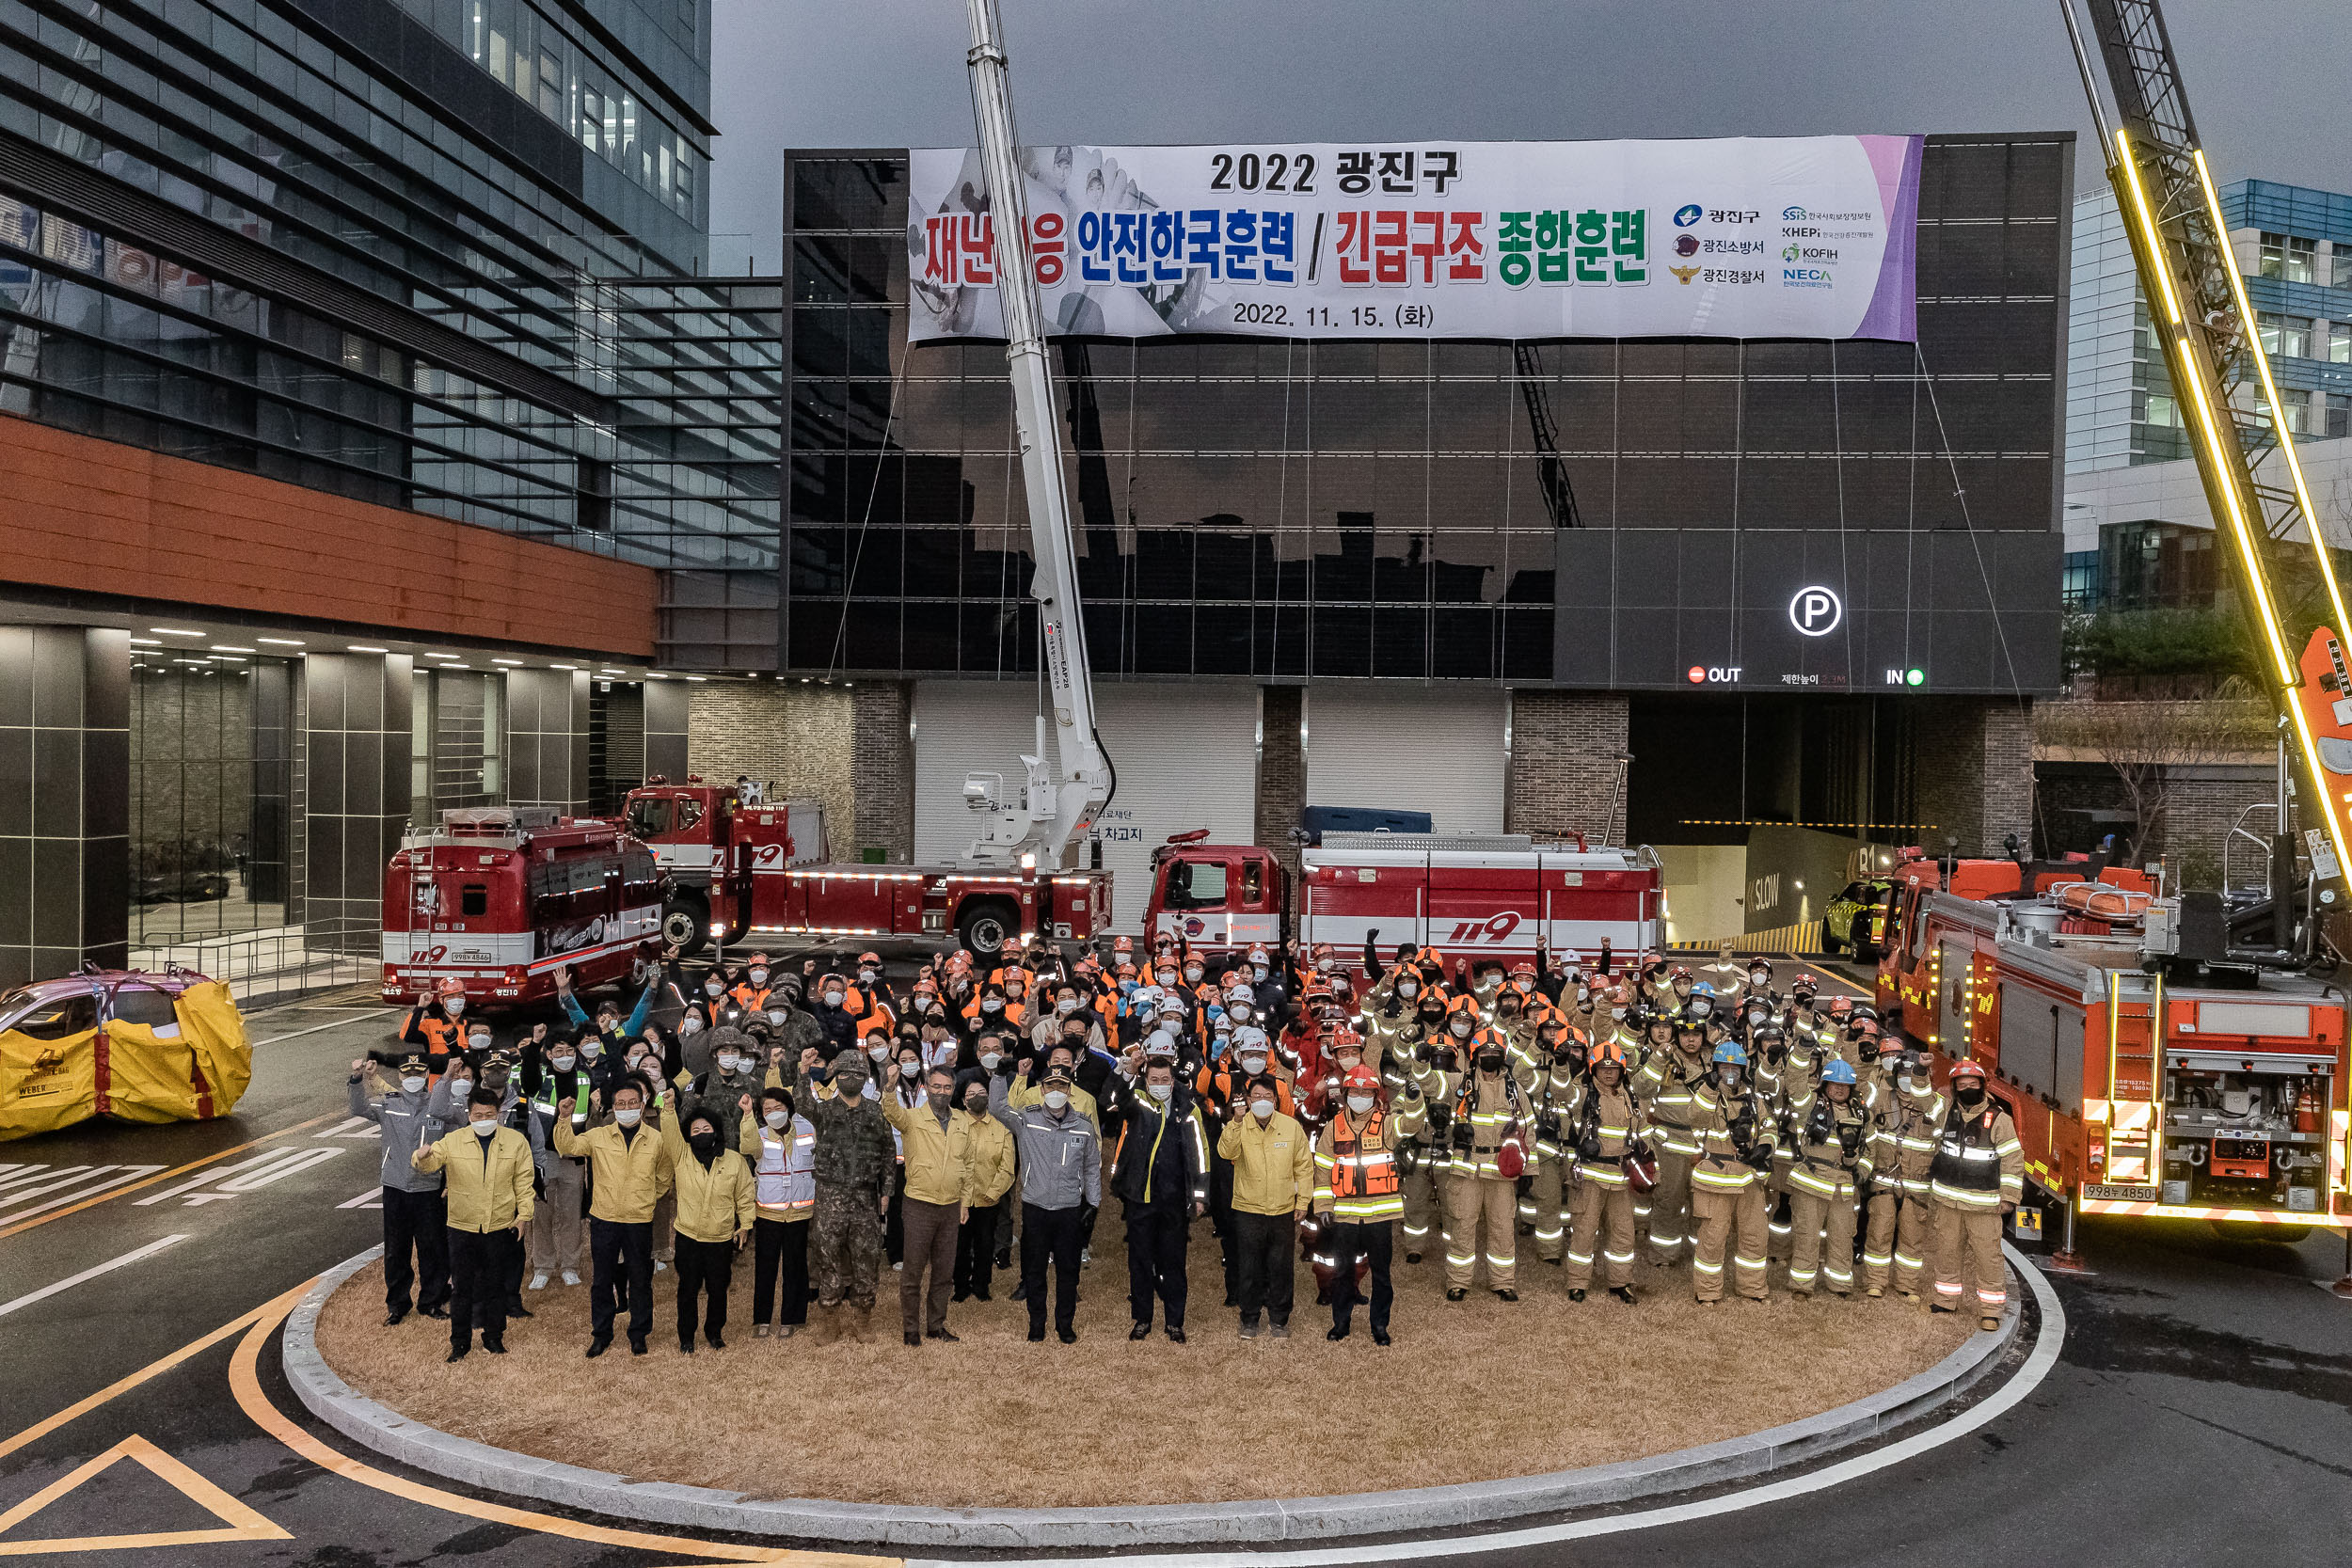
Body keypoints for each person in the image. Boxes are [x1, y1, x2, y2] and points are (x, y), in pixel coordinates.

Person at [410, 1087, 534, 1360]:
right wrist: (422, 1156)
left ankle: (493, 1337)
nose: (484, 1118)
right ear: (469, 1115)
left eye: (490, 1114)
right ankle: (460, 1342)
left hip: (499, 1225)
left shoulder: (515, 1142)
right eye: (478, 1114)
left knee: (495, 1285)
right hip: (462, 1227)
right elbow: (431, 1163)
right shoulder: (453, 1140)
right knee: (462, 1288)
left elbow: (524, 1181)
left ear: (498, 1114)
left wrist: (524, 1214)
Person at [553, 1076, 672, 1356]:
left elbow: (665, 1174)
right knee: (602, 1280)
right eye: (621, 1103)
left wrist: (647, 1196)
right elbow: (568, 1147)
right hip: (604, 1218)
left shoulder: (656, 1139)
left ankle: (639, 1334)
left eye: (632, 1102)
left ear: (642, 1106)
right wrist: (563, 1118)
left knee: (641, 1280)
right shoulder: (599, 1135)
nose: (627, 1107)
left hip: (639, 1220)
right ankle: (601, 1333)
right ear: (613, 1107)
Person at [1312, 1063, 1422, 1343]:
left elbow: (1412, 1123)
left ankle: (1380, 1325)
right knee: (1342, 1272)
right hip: (1345, 1215)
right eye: (1355, 1092)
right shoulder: (1333, 1128)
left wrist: (1415, 1099)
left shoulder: (1387, 1124)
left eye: (1366, 1093)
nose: (1359, 1097)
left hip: (1379, 1215)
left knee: (1382, 1275)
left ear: (1376, 1097)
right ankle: (1341, 1323)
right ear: (1346, 1093)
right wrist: (1323, 1207)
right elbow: (1323, 1170)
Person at [991, 1065, 1101, 1343]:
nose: (1055, 1092)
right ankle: (1036, 1325)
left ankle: (1065, 1326)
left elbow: (1091, 1167)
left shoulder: (1084, 1127)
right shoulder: (1026, 1121)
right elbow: (998, 1108)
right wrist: (998, 1076)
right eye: (1050, 1086)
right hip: (1036, 1209)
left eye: (1062, 1086)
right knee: (1035, 1271)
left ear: (1069, 1091)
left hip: (1069, 1211)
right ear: (1041, 1090)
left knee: (1068, 1273)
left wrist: (1094, 1203)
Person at [1108, 1055, 1210, 1342]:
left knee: (1174, 1262)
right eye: (1154, 1079)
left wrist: (1200, 1195)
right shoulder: (1138, 1102)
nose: (1160, 1085)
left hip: (1175, 1201)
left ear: (1173, 1080)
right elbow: (1113, 1099)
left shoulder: (1188, 1109)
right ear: (1146, 1079)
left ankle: (1175, 1322)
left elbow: (1200, 1154)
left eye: (1165, 1080)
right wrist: (1127, 1072)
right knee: (1140, 1261)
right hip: (1140, 1198)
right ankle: (1142, 1319)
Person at [346, 1052, 452, 1325]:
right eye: (408, 1074)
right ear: (400, 1077)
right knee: (396, 1250)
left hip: (429, 1187)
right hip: (396, 1187)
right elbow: (358, 1108)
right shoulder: (388, 1104)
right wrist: (357, 1079)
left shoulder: (439, 1105)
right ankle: (397, 1304)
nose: (413, 1078)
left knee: (433, 1248)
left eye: (418, 1073)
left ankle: (432, 1301)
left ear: (427, 1075)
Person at [795, 1045, 894, 1335]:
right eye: (845, 1073)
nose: (851, 1078)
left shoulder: (876, 1113)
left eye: (857, 1073)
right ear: (836, 1077)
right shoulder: (824, 1111)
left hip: (865, 1197)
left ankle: (863, 1318)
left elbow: (888, 1152)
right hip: (830, 1195)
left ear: (865, 1078)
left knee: (867, 1258)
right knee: (827, 1258)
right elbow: (801, 1104)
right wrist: (804, 1071)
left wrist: (886, 1190)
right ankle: (829, 1319)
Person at [881, 1059, 974, 1345]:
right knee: (913, 1272)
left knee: (944, 1273)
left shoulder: (962, 1121)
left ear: (953, 1089)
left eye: (947, 1087)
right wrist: (889, 1086)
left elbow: (968, 1164)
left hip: (950, 1206)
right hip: (919, 1204)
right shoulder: (911, 1118)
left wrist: (965, 1202)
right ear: (927, 1088)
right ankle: (911, 1329)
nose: (942, 1092)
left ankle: (936, 1325)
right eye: (936, 1086)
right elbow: (890, 1111)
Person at [1436, 1026, 1531, 1302]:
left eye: (1495, 1052)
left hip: (1503, 1171)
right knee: (1462, 1226)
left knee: (1502, 1227)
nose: (1489, 1057)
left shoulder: (1515, 1090)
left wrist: (1529, 1171)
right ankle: (1458, 1282)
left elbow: (1528, 1132)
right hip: (1467, 1169)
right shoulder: (1458, 1084)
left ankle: (1502, 1282)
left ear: (1502, 1056)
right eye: (1484, 1052)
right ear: (1474, 1055)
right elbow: (1430, 1086)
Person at [1929, 1058, 2023, 1331]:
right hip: (1948, 1201)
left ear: (1982, 1086)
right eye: (1962, 1085)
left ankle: (1991, 1311)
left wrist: (2009, 1197)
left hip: (1984, 1205)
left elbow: (2013, 1159)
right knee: (1946, 1252)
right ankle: (1945, 1299)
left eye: (1973, 1084)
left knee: (1988, 1258)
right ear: (1955, 1089)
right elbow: (1924, 1097)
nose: (1968, 1088)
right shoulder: (1947, 1111)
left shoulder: (1999, 1119)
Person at [1216, 1072, 1311, 1338]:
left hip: (1282, 1210)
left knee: (1281, 1267)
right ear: (1247, 1099)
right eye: (1256, 1096)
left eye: (1267, 1097)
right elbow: (1226, 1152)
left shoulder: (1291, 1127)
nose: (1261, 1101)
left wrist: (1303, 1200)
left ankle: (1279, 1319)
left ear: (1276, 1101)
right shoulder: (1239, 1125)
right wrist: (1235, 1122)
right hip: (1249, 1210)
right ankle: (1249, 1319)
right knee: (1249, 1267)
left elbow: (1304, 1167)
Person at [658, 1100, 755, 1353]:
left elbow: (744, 1195)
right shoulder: (681, 1155)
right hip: (688, 1237)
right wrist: (668, 1109)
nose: (701, 1133)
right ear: (688, 1136)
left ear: (717, 1130)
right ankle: (686, 1338)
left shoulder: (734, 1160)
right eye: (695, 1131)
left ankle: (714, 1332)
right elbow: (669, 1132)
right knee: (688, 1289)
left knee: (718, 1289)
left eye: (706, 1128)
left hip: (721, 1238)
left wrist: (745, 1225)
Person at [1689, 1042, 1776, 1305]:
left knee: (1754, 1236)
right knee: (1713, 1239)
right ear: (1715, 1069)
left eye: (1735, 1067)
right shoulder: (1707, 1095)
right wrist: (1709, 1087)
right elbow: (1696, 1117)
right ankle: (1707, 1292)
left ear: (1743, 1070)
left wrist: (1765, 1146)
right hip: (1716, 1178)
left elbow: (1770, 1125)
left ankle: (1752, 1288)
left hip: (1749, 1178)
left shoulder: (1754, 1099)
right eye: (1724, 1067)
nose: (1730, 1072)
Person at [1562, 1039, 1642, 1304]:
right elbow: (1564, 1093)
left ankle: (1620, 1282)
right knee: (1584, 1232)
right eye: (1603, 1067)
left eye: (1614, 1068)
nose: (1609, 1072)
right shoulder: (1582, 1094)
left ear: (1622, 1070)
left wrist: (1652, 1170)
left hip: (1620, 1176)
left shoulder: (1630, 1097)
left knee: (1623, 1234)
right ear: (1593, 1069)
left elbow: (1643, 1134)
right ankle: (1577, 1283)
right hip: (1590, 1175)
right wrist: (1563, 1066)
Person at [1788, 1056, 1869, 1300]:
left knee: (1843, 1236)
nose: (1839, 1088)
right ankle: (1802, 1286)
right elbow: (1794, 1082)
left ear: (1851, 1088)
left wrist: (1862, 1170)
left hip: (1843, 1185)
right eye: (1834, 1083)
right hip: (1812, 1181)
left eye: (1844, 1085)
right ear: (1824, 1084)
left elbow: (1872, 1147)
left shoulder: (1861, 1113)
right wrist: (1802, 1051)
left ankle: (1840, 1284)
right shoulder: (1810, 1104)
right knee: (1806, 1235)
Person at [1868, 1050, 1947, 1300]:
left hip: (1917, 1184)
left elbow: (1940, 1139)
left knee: (1912, 1238)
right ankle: (1875, 1283)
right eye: (1902, 1074)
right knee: (1879, 1233)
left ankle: (1906, 1284)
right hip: (1883, 1178)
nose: (1906, 1079)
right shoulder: (1880, 1097)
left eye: (1911, 1074)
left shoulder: (1935, 1104)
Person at [1633, 1018, 1711, 1266]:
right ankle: (1663, 1255)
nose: (1691, 1040)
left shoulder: (1713, 1062)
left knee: (1703, 1204)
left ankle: (1702, 1254)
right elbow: (1641, 1089)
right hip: (1670, 1145)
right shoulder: (1664, 1060)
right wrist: (1657, 1058)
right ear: (1677, 1037)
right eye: (1686, 1035)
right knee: (1668, 1201)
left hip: (1704, 1144)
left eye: (1697, 1034)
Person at [739, 1085, 815, 1338]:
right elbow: (747, 1145)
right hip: (769, 1212)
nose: (772, 1112)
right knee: (765, 1267)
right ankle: (762, 1319)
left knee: (796, 1267)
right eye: (767, 1109)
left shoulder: (807, 1130)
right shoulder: (759, 1134)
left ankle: (792, 1318)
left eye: (778, 1107)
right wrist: (748, 1115)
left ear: (789, 1109)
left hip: (800, 1211)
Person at [522, 1036, 596, 1290]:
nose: (566, 1055)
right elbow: (528, 1084)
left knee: (571, 1214)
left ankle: (570, 1266)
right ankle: (542, 1266)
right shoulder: (539, 1077)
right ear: (550, 1054)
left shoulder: (584, 1078)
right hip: (544, 1154)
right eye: (559, 1051)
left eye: (570, 1050)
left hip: (573, 1156)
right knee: (541, 1213)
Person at [954, 1072, 1016, 1302]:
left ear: (988, 1098)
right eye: (971, 1094)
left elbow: (1007, 1167)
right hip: (959, 1200)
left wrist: (993, 1193)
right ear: (963, 1100)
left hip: (987, 1199)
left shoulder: (1002, 1129)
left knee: (985, 1244)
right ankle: (960, 1286)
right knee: (959, 1246)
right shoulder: (954, 1125)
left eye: (981, 1093)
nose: (976, 1097)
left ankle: (981, 1286)